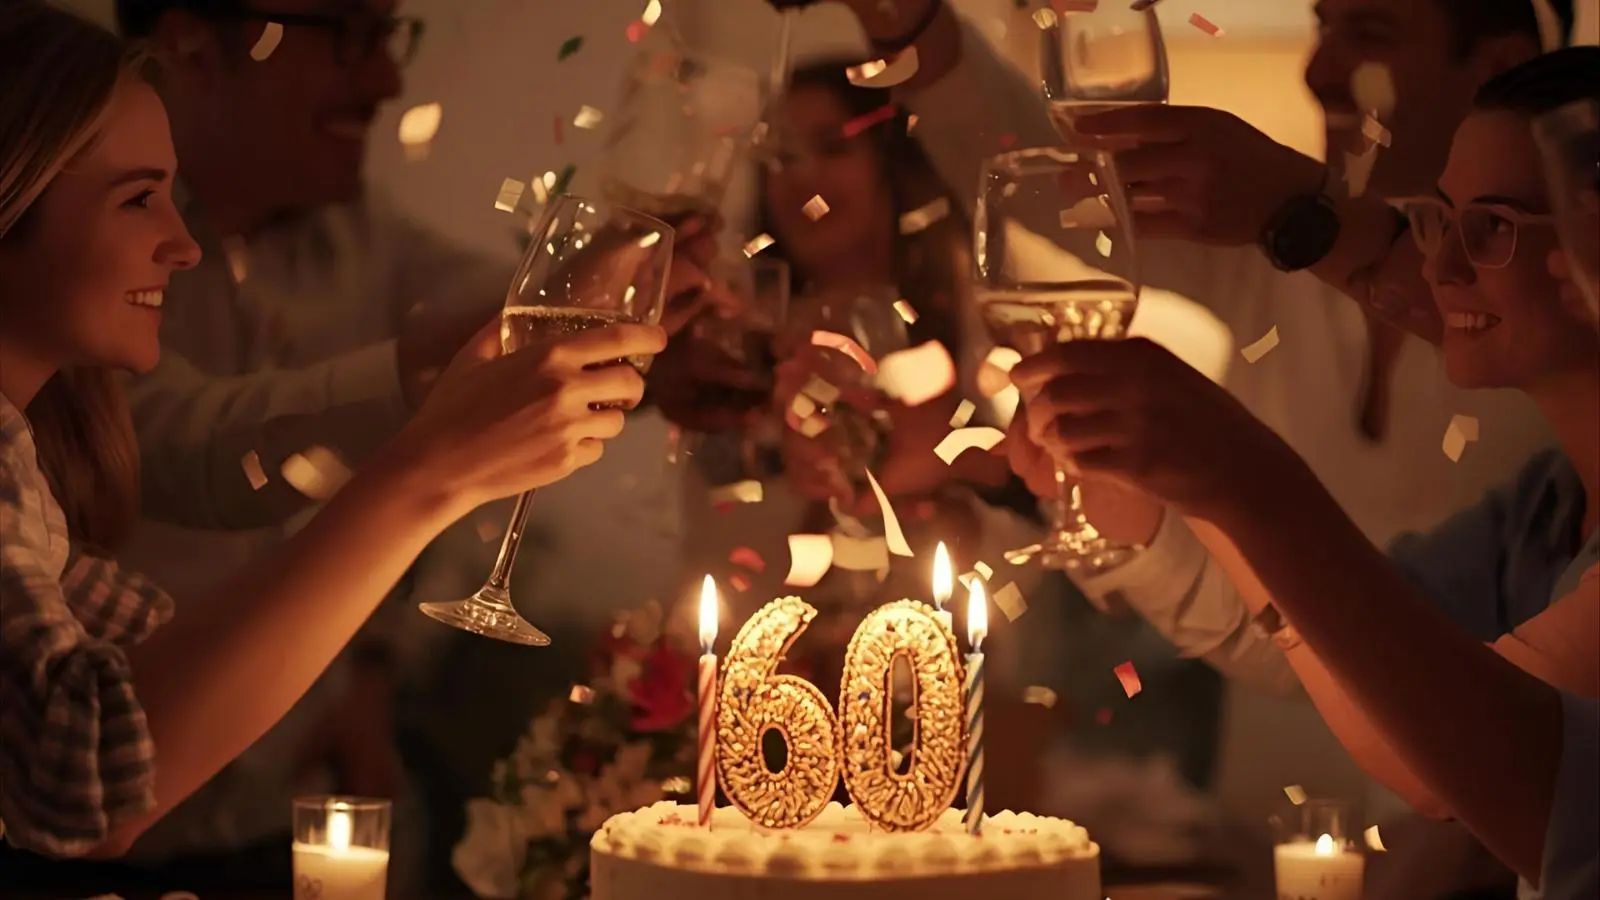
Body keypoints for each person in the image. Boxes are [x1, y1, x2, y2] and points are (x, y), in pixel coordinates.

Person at [762, 0, 1569, 888]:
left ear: (1499, 57)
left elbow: (1502, 766)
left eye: (1368, 33)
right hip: (1259, 840)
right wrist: (909, 25)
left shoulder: (1545, 332)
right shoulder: (1279, 257)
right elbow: (1027, 172)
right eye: (1319, 26)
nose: (1318, 71)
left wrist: (1237, 470)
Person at [0, 0, 666, 861]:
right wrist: (431, 473)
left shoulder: (29, 461)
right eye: (137, 200)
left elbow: (132, 655)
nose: (183, 246)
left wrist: (631, 274)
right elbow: (88, 779)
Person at [1006, 46, 1600, 896]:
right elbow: (1341, 656)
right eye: (1437, 221)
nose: (1439, 268)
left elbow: (1503, 779)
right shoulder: (1543, 507)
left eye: (1494, 227)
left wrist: (1240, 477)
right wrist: (1174, 498)